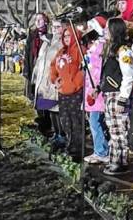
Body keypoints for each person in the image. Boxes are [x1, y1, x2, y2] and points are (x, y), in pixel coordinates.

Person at [100, 17, 133, 175]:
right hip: (109, 94)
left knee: (119, 130)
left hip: (118, 95)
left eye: (107, 29)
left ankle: (121, 161)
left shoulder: (123, 51)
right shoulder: (111, 49)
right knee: (112, 129)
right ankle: (114, 159)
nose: (104, 32)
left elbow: (128, 76)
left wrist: (123, 97)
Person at [49, 26, 84, 160]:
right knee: (65, 120)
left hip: (75, 92)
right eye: (65, 36)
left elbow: (83, 69)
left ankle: (76, 148)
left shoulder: (80, 51)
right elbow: (53, 66)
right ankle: (69, 144)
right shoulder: (61, 52)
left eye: (69, 36)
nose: (67, 39)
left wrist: (74, 84)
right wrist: (54, 80)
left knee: (76, 120)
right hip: (62, 91)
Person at [32, 19, 65, 144]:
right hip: (43, 81)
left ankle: (61, 134)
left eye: (58, 27)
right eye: (54, 27)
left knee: (57, 109)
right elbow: (40, 60)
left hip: (53, 81)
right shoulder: (46, 42)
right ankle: (55, 132)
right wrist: (35, 77)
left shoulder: (62, 43)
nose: (55, 30)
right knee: (49, 109)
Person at [83, 16, 109, 164]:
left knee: (95, 121)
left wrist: (97, 86)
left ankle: (101, 151)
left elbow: (100, 69)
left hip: (97, 89)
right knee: (93, 120)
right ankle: (100, 148)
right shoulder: (95, 45)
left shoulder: (102, 46)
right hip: (90, 87)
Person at [24, 13, 50, 100]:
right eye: (36, 20)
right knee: (33, 88)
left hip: (45, 63)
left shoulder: (49, 34)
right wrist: (26, 69)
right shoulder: (32, 34)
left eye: (40, 19)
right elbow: (27, 52)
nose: (38, 22)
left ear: (45, 21)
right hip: (34, 62)